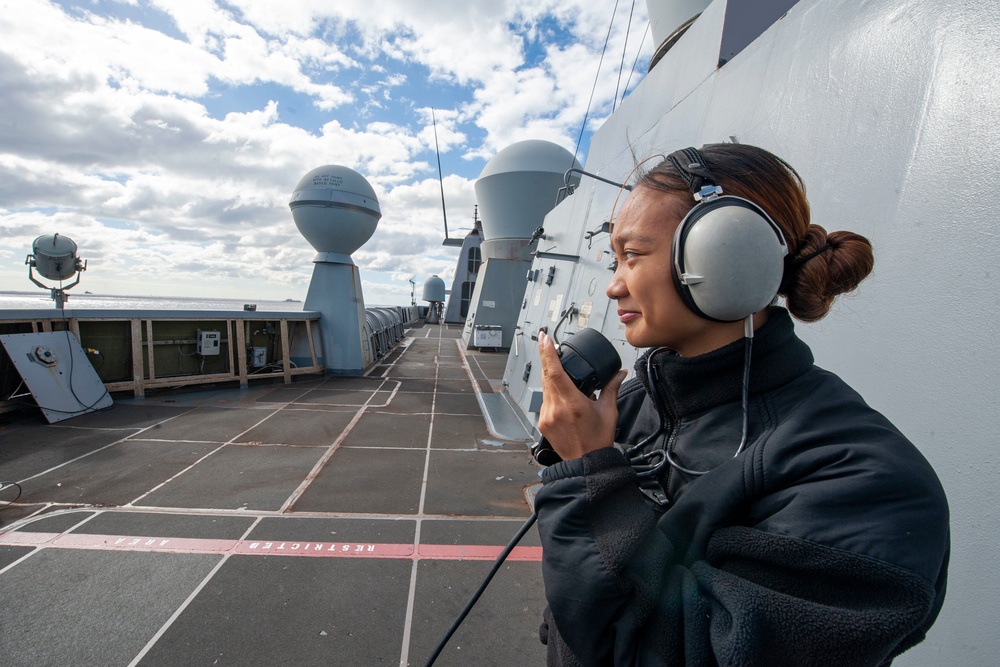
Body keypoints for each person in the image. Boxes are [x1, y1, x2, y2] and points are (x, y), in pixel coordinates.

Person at [534, 143, 949, 666]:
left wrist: (590, 479)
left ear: (726, 254)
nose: (615, 285)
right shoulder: (635, 405)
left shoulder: (864, 479)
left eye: (633, 255)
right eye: (614, 259)